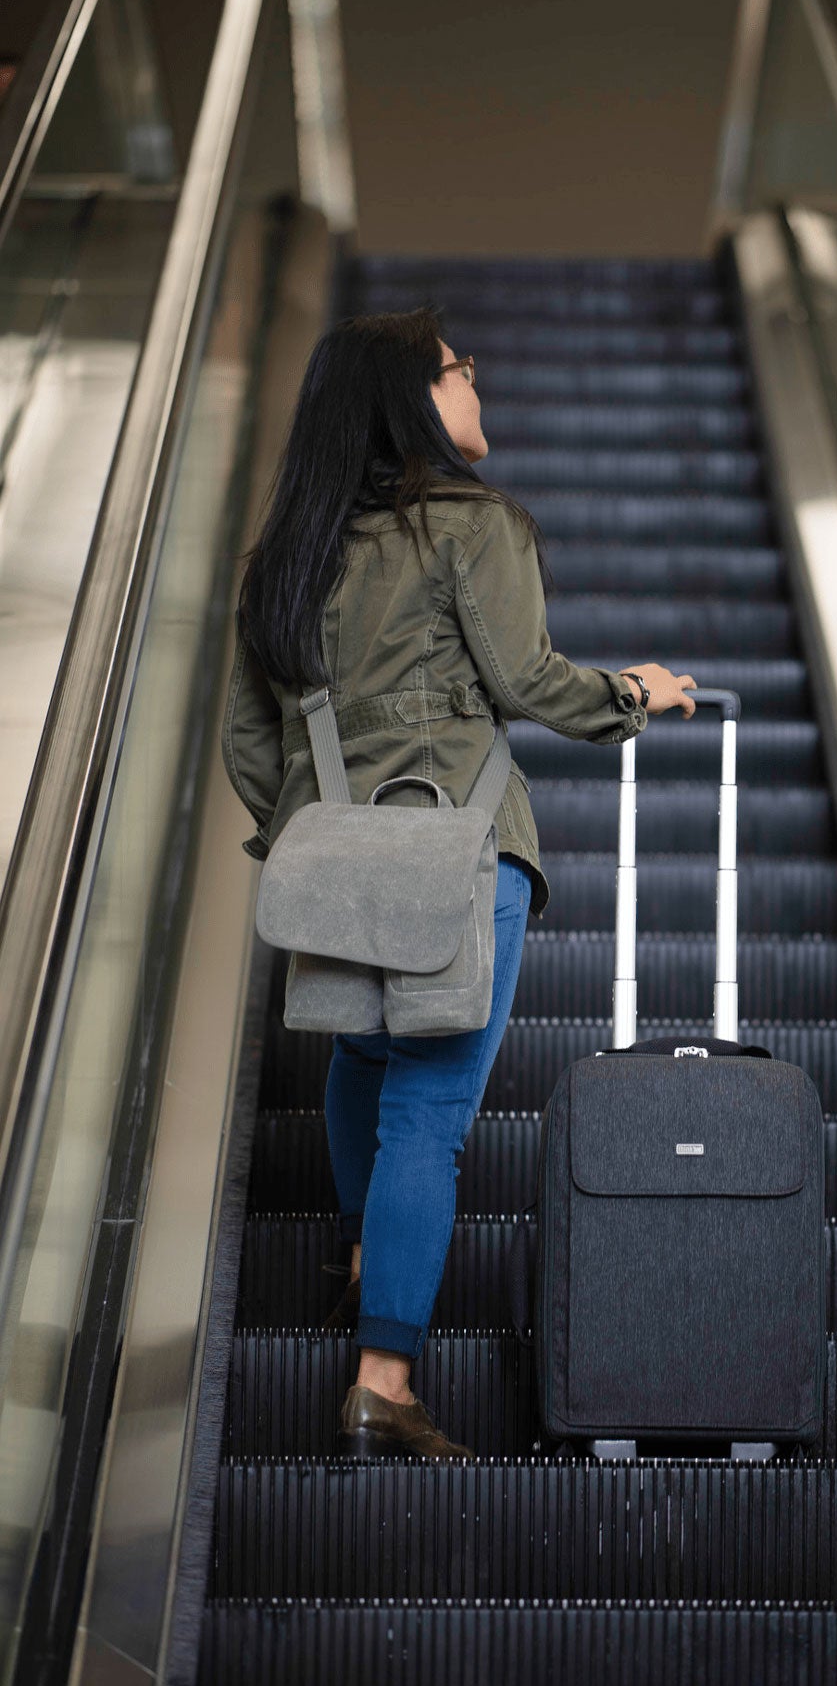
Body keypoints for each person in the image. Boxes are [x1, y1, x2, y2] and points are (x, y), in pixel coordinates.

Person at [221, 305, 697, 1460]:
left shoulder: (284, 553)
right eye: (459, 370)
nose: (475, 385)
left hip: (331, 851)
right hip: (460, 857)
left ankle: (359, 1263)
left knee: (361, 1057)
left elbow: (249, 745)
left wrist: (317, 847)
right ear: (409, 396)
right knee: (426, 1118)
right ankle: (385, 1382)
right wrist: (633, 694)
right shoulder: (473, 526)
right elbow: (525, 679)